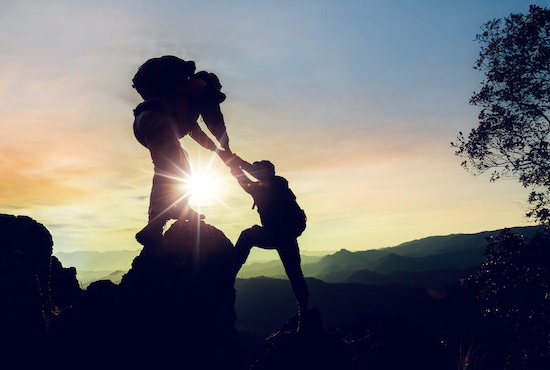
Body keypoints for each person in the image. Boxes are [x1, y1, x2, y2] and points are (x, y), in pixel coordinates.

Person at [132, 55, 233, 246]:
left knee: (182, 164)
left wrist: (217, 151)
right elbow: (215, 121)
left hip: (146, 122)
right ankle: (154, 226)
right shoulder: (201, 88)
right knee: (169, 168)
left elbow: (193, 130)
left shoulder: (182, 97)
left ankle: (181, 208)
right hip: (156, 121)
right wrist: (226, 146)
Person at [228, 156, 309, 314]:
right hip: (288, 234)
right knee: (294, 271)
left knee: (247, 236)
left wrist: (231, 159)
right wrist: (232, 161)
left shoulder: (262, 188)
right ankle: (304, 308)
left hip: (276, 234)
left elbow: (242, 175)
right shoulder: (279, 184)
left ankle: (230, 270)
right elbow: (243, 174)